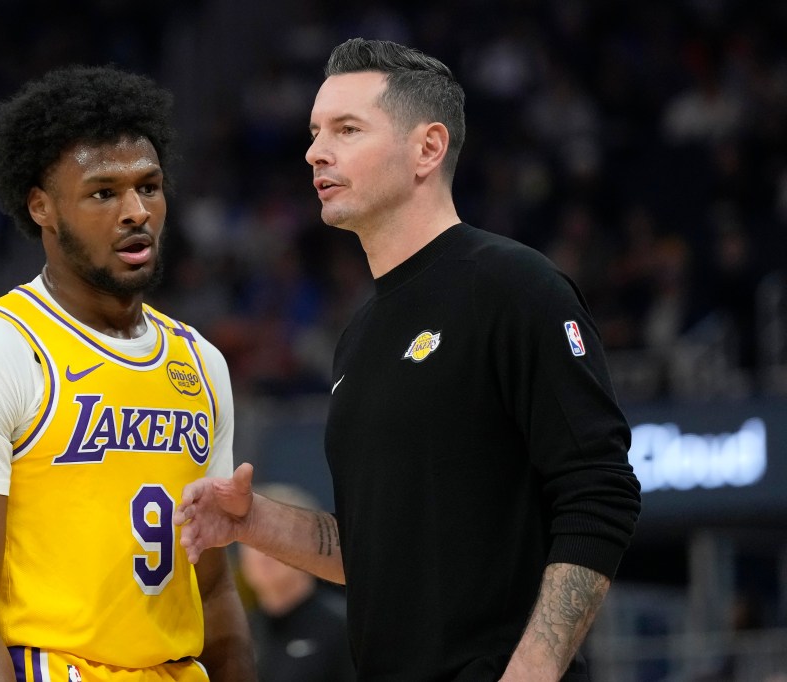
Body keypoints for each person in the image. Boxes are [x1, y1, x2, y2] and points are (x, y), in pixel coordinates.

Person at [175, 38, 642, 681]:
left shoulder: (514, 286)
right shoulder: (358, 334)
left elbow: (602, 491)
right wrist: (252, 521)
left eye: (346, 129)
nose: (315, 151)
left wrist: (531, 670)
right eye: (314, 131)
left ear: (427, 148)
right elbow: (372, 551)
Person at [0, 65, 255, 682]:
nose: (136, 212)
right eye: (104, 193)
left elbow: (212, 588)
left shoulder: (201, 363)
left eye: (149, 187)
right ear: (42, 206)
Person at [237, 484, 354, 682]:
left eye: (274, 539)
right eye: (253, 542)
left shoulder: (344, 630)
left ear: (310, 550)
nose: (262, 554)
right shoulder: (238, 631)